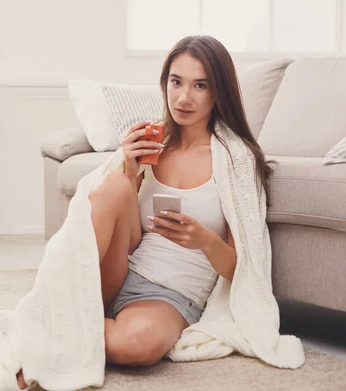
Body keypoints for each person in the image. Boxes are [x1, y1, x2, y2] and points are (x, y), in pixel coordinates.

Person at [17, 34, 272, 388]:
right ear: (164, 82)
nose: (184, 97)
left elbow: (245, 272)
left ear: (219, 92)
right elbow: (120, 222)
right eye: (176, 82)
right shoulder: (153, 142)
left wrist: (204, 240)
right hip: (120, 271)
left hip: (169, 296)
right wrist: (128, 167)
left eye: (200, 85)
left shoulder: (235, 159)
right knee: (111, 185)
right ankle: (63, 311)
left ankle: (48, 330)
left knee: (137, 346)